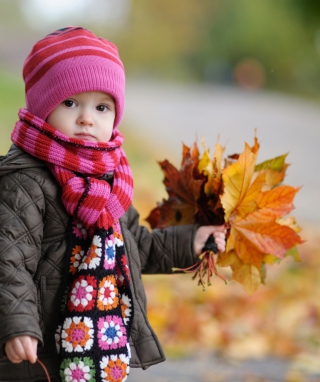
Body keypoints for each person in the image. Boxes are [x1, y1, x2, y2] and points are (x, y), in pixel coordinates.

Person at [0, 26, 226, 382]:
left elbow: (136, 247)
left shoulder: (108, 182)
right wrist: (17, 324)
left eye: (102, 107)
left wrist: (191, 242)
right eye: (70, 102)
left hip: (93, 345)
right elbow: (9, 261)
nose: (87, 118)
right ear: (42, 107)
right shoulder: (25, 180)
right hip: (38, 347)